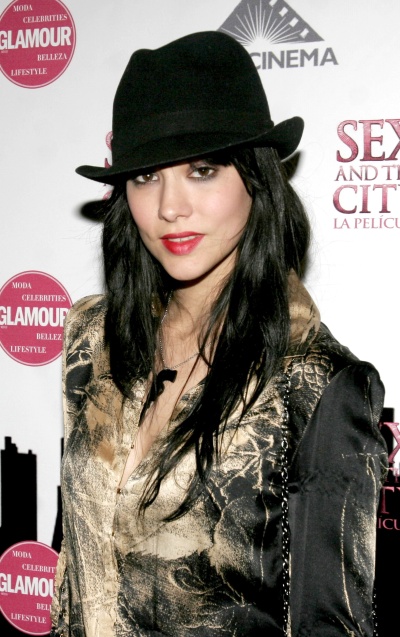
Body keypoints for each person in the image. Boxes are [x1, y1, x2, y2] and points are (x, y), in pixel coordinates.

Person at [50, 31, 387, 637]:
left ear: (256, 180)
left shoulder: (318, 385)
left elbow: (329, 623)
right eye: (146, 176)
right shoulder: (92, 337)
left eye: (202, 171)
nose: (170, 207)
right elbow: (72, 560)